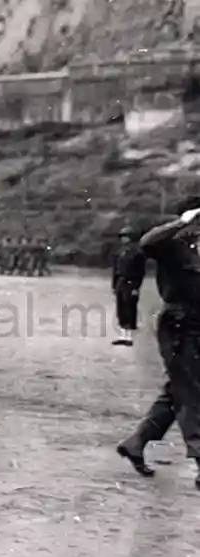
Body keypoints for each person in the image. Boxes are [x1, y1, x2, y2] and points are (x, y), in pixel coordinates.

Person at [118, 204, 200, 489]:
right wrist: (182, 222)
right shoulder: (174, 244)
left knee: (178, 389)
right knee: (190, 389)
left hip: (197, 324)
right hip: (177, 324)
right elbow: (147, 243)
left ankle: (136, 443)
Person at [111, 225, 146, 346]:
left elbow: (140, 272)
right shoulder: (119, 252)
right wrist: (114, 285)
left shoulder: (138, 253)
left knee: (130, 308)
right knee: (121, 308)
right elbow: (115, 270)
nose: (123, 239)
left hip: (131, 282)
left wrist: (136, 287)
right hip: (121, 281)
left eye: (125, 237)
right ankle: (122, 334)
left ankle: (129, 337)